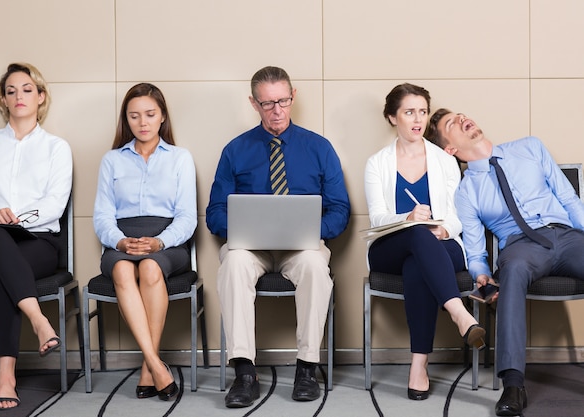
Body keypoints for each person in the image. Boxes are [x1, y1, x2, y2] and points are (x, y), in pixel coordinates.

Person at [206, 66, 350, 408]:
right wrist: (243, 228)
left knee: (316, 265)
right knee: (235, 263)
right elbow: (214, 213)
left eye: (282, 101)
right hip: (251, 247)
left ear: (293, 96)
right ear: (254, 103)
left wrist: (310, 232)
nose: (277, 110)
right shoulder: (235, 150)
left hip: (301, 247)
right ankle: (244, 373)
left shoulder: (319, 148)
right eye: (267, 103)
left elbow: (340, 210)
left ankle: (306, 369)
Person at [427, 109, 584, 416]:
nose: (461, 118)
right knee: (509, 272)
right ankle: (513, 385)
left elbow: (569, 199)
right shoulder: (467, 191)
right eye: (451, 124)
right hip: (520, 247)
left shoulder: (530, 147)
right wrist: (482, 275)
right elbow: (475, 251)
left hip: (565, 235)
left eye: (460, 114)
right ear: (450, 150)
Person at [0, 63, 72, 410]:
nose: (19, 96)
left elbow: (54, 205)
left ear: (40, 97)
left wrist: (15, 218)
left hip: (38, 244)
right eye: (11, 91)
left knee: (0, 270)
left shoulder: (56, 148)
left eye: (26, 89)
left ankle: (5, 375)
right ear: (3, 100)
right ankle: (39, 321)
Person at [364, 84, 485, 401]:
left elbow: (459, 217)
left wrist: (444, 231)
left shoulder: (445, 161)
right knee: (416, 234)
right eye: (408, 112)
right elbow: (377, 218)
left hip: (441, 246)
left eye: (422, 111)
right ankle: (459, 312)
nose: (417, 119)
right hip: (389, 247)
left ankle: (419, 365)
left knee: (418, 260)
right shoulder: (377, 163)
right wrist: (408, 218)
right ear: (392, 117)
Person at [93, 83, 197, 401]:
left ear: (162, 117)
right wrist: (121, 242)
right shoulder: (112, 160)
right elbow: (101, 217)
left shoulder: (180, 158)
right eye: (135, 116)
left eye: (150, 114)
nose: (143, 122)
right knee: (124, 272)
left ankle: (146, 368)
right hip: (121, 242)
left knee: (151, 269)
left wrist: (159, 242)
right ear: (126, 120)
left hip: (168, 243)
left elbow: (188, 217)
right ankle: (154, 363)